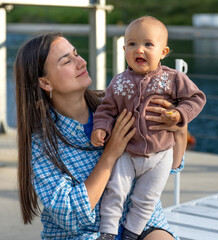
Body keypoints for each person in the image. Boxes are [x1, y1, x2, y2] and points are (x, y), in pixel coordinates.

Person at [15, 32, 188, 240]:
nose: (81, 62)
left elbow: (169, 165)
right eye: (67, 61)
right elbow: (70, 215)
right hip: (84, 235)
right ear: (45, 83)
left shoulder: (118, 104)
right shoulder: (42, 144)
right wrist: (110, 155)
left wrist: (178, 127)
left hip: (140, 223)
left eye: (76, 54)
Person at [91, 16, 206, 240]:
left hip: (161, 153)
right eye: (132, 44)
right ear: (124, 49)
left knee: (147, 197)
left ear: (164, 52)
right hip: (128, 151)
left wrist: (180, 114)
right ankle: (108, 231)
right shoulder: (119, 82)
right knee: (115, 190)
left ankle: (132, 233)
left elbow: (196, 98)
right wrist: (101, 127)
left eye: (148, 44)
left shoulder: (172, 79)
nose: (139, 50)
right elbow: (106, 109)